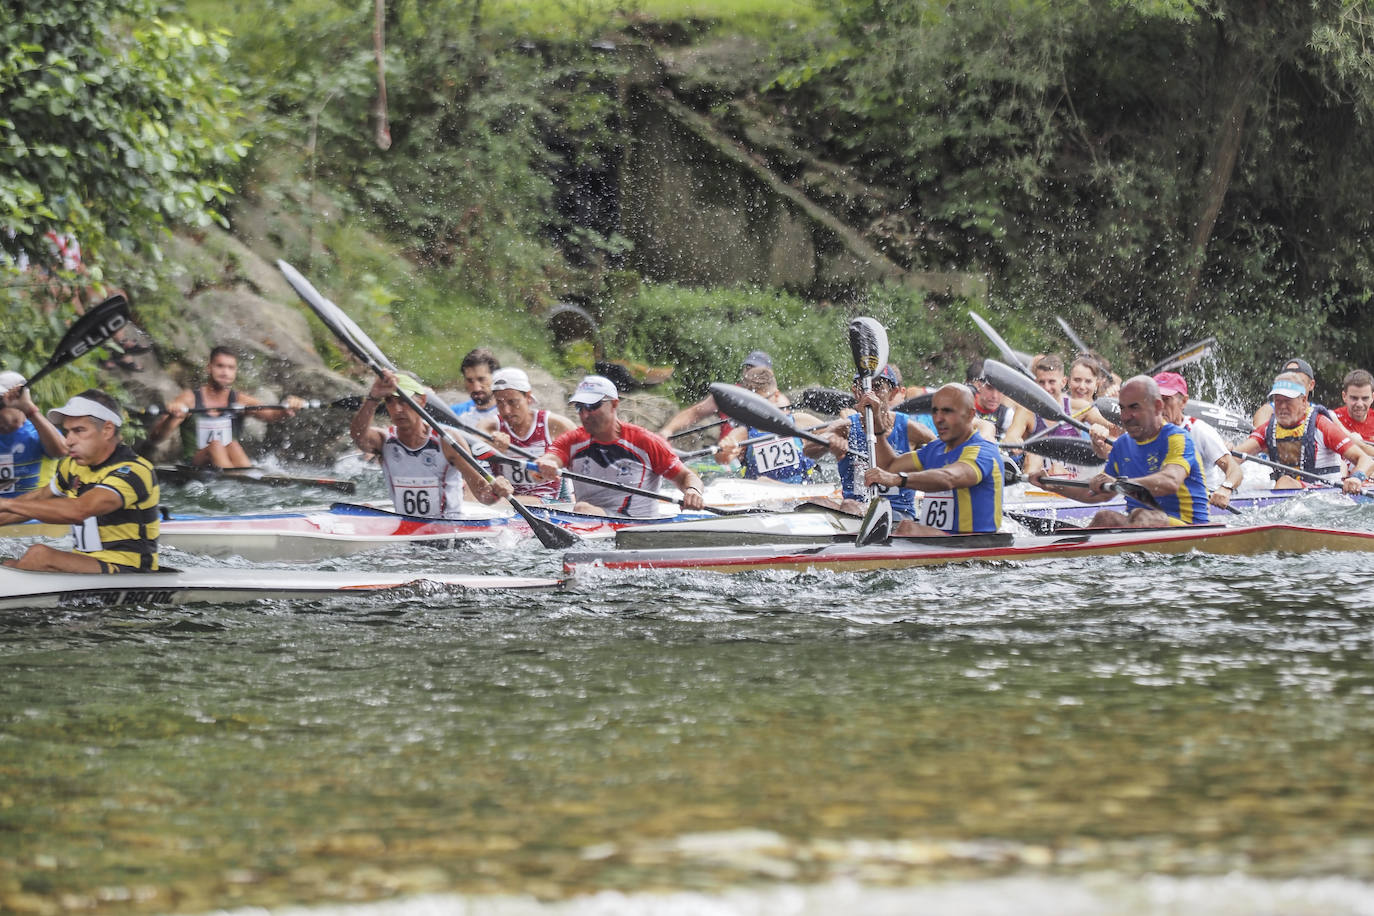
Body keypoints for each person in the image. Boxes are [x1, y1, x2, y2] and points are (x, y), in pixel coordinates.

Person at [0, 389, 160, 572]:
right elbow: (36, 501)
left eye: (79, 431)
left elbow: (79, 510)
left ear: (107, 430)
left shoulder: (133, 471)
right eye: (67, 432)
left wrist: (6, 503)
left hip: (130, 572)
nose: (68, 441)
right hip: (87, 565)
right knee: (9, 565)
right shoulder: (73, 466)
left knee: (38, 555)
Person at [1029, 375, 1211, 527]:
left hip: (1189, 527)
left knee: (1141, 515)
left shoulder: (1177, 438)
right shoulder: (1122, 444)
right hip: (1141, 525)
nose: (1125, 417)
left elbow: (1170, 482)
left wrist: (1119, 482)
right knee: (1104, 518)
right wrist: (1053, 485)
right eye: (1122, 408)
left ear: (1157, 407)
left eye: (1135, 408)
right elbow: (1098, 493)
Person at [535, 375, 706, 517]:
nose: (585, 414)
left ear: (614, 404)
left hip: (637, 531)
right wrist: (544, 466)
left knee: (581, 509)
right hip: (590, 527)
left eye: (592, 406)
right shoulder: (572, 441)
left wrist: (693, 491)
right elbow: (545, 462)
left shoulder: (646, 441)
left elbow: (686, 476)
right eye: (580, 407)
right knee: (582, 509)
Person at [349, 370, 512, 518]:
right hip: (405, 531)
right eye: (390, 401)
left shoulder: (447, 441)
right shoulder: (384, 440)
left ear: (422, 401)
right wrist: (373, 398)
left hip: (448, 532)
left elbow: (483, 495)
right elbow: (358, 436)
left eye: (403, 401)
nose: (397, 409)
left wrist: (497, 491)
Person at [861, 383, 1003, 536]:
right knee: (903, 526)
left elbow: (950, 478)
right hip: (939, 541)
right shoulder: (936, 448)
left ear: (970, 414)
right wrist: (877, 426)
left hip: (975, 544)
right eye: (935, 411)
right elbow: (889, 466)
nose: (939, 419)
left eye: (948, 411)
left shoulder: (984, 452)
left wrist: (897, 479)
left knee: (907, 528)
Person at [803, 367, 936, 521]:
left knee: (849, 507)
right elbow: (808, 450)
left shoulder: (909, 428)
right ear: (855, 392)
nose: (869, 395)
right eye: (863, 387)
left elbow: (944, 453)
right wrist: (828, 442)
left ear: (893, 393)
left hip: (898, 514)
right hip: (852, 510)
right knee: (815, 503)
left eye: (877, 387)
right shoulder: (846, 427)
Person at [149, 346, 308, 468]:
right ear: (209, 368)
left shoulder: (239, 399)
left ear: (235, 372)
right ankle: (238, 483)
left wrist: (289, 408)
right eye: (220, 366)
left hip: (227, 462)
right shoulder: (189, 399)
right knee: (216, 444)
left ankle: (246, 480)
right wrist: (173, 417)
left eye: (230, 368)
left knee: (232, 444)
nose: (225, 372)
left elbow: (272, 415)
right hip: (196, 465)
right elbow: (156, 438)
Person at [1233, 372, 1374, 492]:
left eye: (1288, 401)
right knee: (1277, 483)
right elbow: (1234, 458)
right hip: (1296, 498)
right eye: (1278, 401)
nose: (1282, 407)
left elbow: (1366, 460)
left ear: (1303, 400)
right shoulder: (1268, 429)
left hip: (1328, 497)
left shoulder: (1322, 425)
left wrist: (1357, 478)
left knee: (1284, 482)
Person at [1002, 353, 1113, 479]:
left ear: (1063, 382)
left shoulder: (1079, 407)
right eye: (1042, 382)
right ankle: (1029, 491)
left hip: (1073, 480)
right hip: (1040, 479)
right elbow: (1010, 437)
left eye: (1051, 382)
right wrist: (1015, 440)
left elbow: (1114, 427)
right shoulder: (1027, 411)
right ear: (1035, 383)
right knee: (1034, 456)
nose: (1047, 388)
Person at [483, 367, 577, 502]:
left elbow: (585, 451)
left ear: (527, 397)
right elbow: (468, 451)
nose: (506, 411)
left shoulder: (554, 424)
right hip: (510, 505)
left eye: (512, 402)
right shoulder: (489, 427)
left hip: (552, 503)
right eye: (499, 403)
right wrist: (489, 447)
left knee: (498, 503)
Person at [1153, 371, 1244, 509]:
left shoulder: (1200, 431)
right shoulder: (1144, 431)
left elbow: (1235, 470)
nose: (1160, 406)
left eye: (1166, 399)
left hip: (1201, 504)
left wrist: (1225, 488)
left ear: (1183, 402)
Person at [658, 350, 790, 439]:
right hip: (728, 458)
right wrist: (668, 430)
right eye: (748, 367)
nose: (750, 372)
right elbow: (695, 413)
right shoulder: (728, 395)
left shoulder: (778, 400)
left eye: (755, 368)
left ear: (768, 373)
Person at [0, 371, 67, 497]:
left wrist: (30, 409)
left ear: (20, 401)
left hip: (34, 513)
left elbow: (61, 451)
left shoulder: (39, 431)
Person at [1251, 357, 1321, 430]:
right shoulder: (1268, 410)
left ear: (1311, 385)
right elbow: (1259, 429)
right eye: (1289, 383)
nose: (1294, 388)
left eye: (1300, 382)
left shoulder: (1319, 415)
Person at [965, 359, 1015, 441]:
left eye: (1000, 390)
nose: (995, 396)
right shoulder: (964, 404)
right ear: (979, 386)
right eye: (989, 388)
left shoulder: (1007, 415)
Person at [451, 348, 500, 422]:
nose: (476, 388)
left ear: (496, 378)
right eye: (470, 381)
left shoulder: (508, 415)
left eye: (481, 379)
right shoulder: (454, 413)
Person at [1333, 369, 1374, 451]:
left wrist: (1351, 439)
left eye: (1365, 398)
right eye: (1354, 398)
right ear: (1344, 396)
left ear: (1372, 397)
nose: (1359, 404)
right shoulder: (1333, 419)